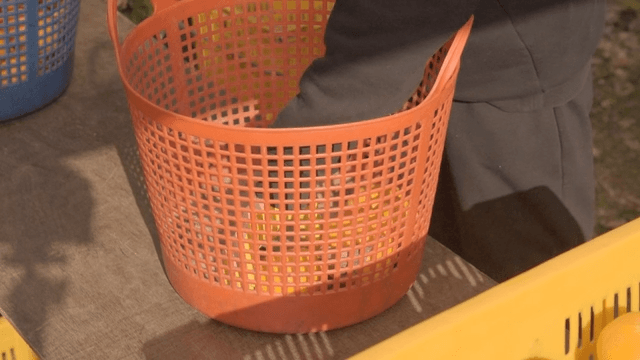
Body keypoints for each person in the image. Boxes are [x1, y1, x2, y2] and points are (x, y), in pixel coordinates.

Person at [270, 0, 607, 282]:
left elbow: (394, 20)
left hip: (511, 79)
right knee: (444, 261)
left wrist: (293, 156)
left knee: (531, 283)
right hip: (448, 58)